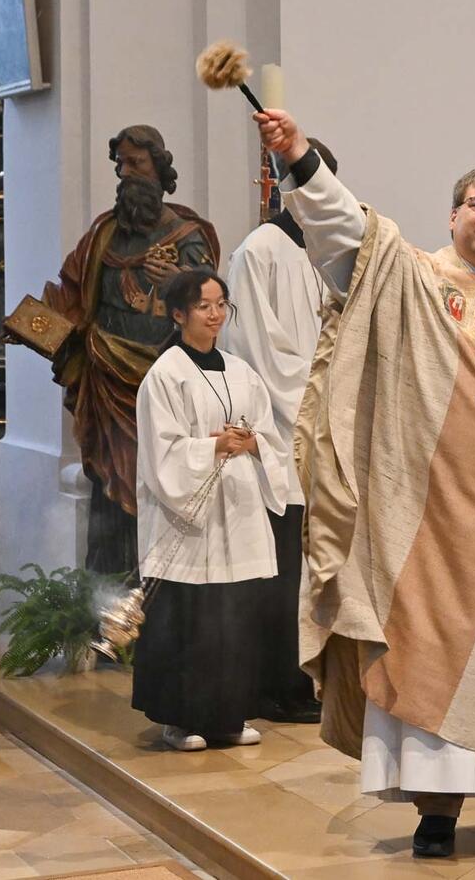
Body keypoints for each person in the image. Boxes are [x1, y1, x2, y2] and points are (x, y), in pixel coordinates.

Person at [255, 108, 475, 859]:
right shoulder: (411, 278)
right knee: (423, 654)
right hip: (426, 515)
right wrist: (299, 155)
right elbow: (346, 231)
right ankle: (435, 808)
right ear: (453, 213)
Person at [38, 125, 220, 575]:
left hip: (162, 381)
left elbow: (208, 305)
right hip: (106, 377)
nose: (125, 173)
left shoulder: (186, 234)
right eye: (120, 164)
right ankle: (104, 601)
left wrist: (174, 281)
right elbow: (73, 292)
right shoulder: (104, 232)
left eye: (135, 163)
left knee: (157, 480)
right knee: (108, 483)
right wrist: (34, 325)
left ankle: (156, 593)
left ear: (158, 166)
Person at [132, 270, 287, 752]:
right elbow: (162, 452)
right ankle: (179, 720)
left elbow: (272, 436)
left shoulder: (242, 372)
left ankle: (227, 718)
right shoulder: (166, 374)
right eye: (204, 305)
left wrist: (254, 443)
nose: (216, 313)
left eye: (222, 304)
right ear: (179, 314)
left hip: (237, 512)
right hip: (189, 518)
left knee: (235, 617)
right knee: (189, 617)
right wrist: (213, 445)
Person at [220, 138, 339, 725]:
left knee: (316, 562)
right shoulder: (258, 251)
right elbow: (254, 351)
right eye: (305, 184)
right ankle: (277, 686)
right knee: (281, 568)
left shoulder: (327, 255)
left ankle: (311, 679)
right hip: (282, 433)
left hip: (325, 428)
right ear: (282, 189)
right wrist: (316, 398)